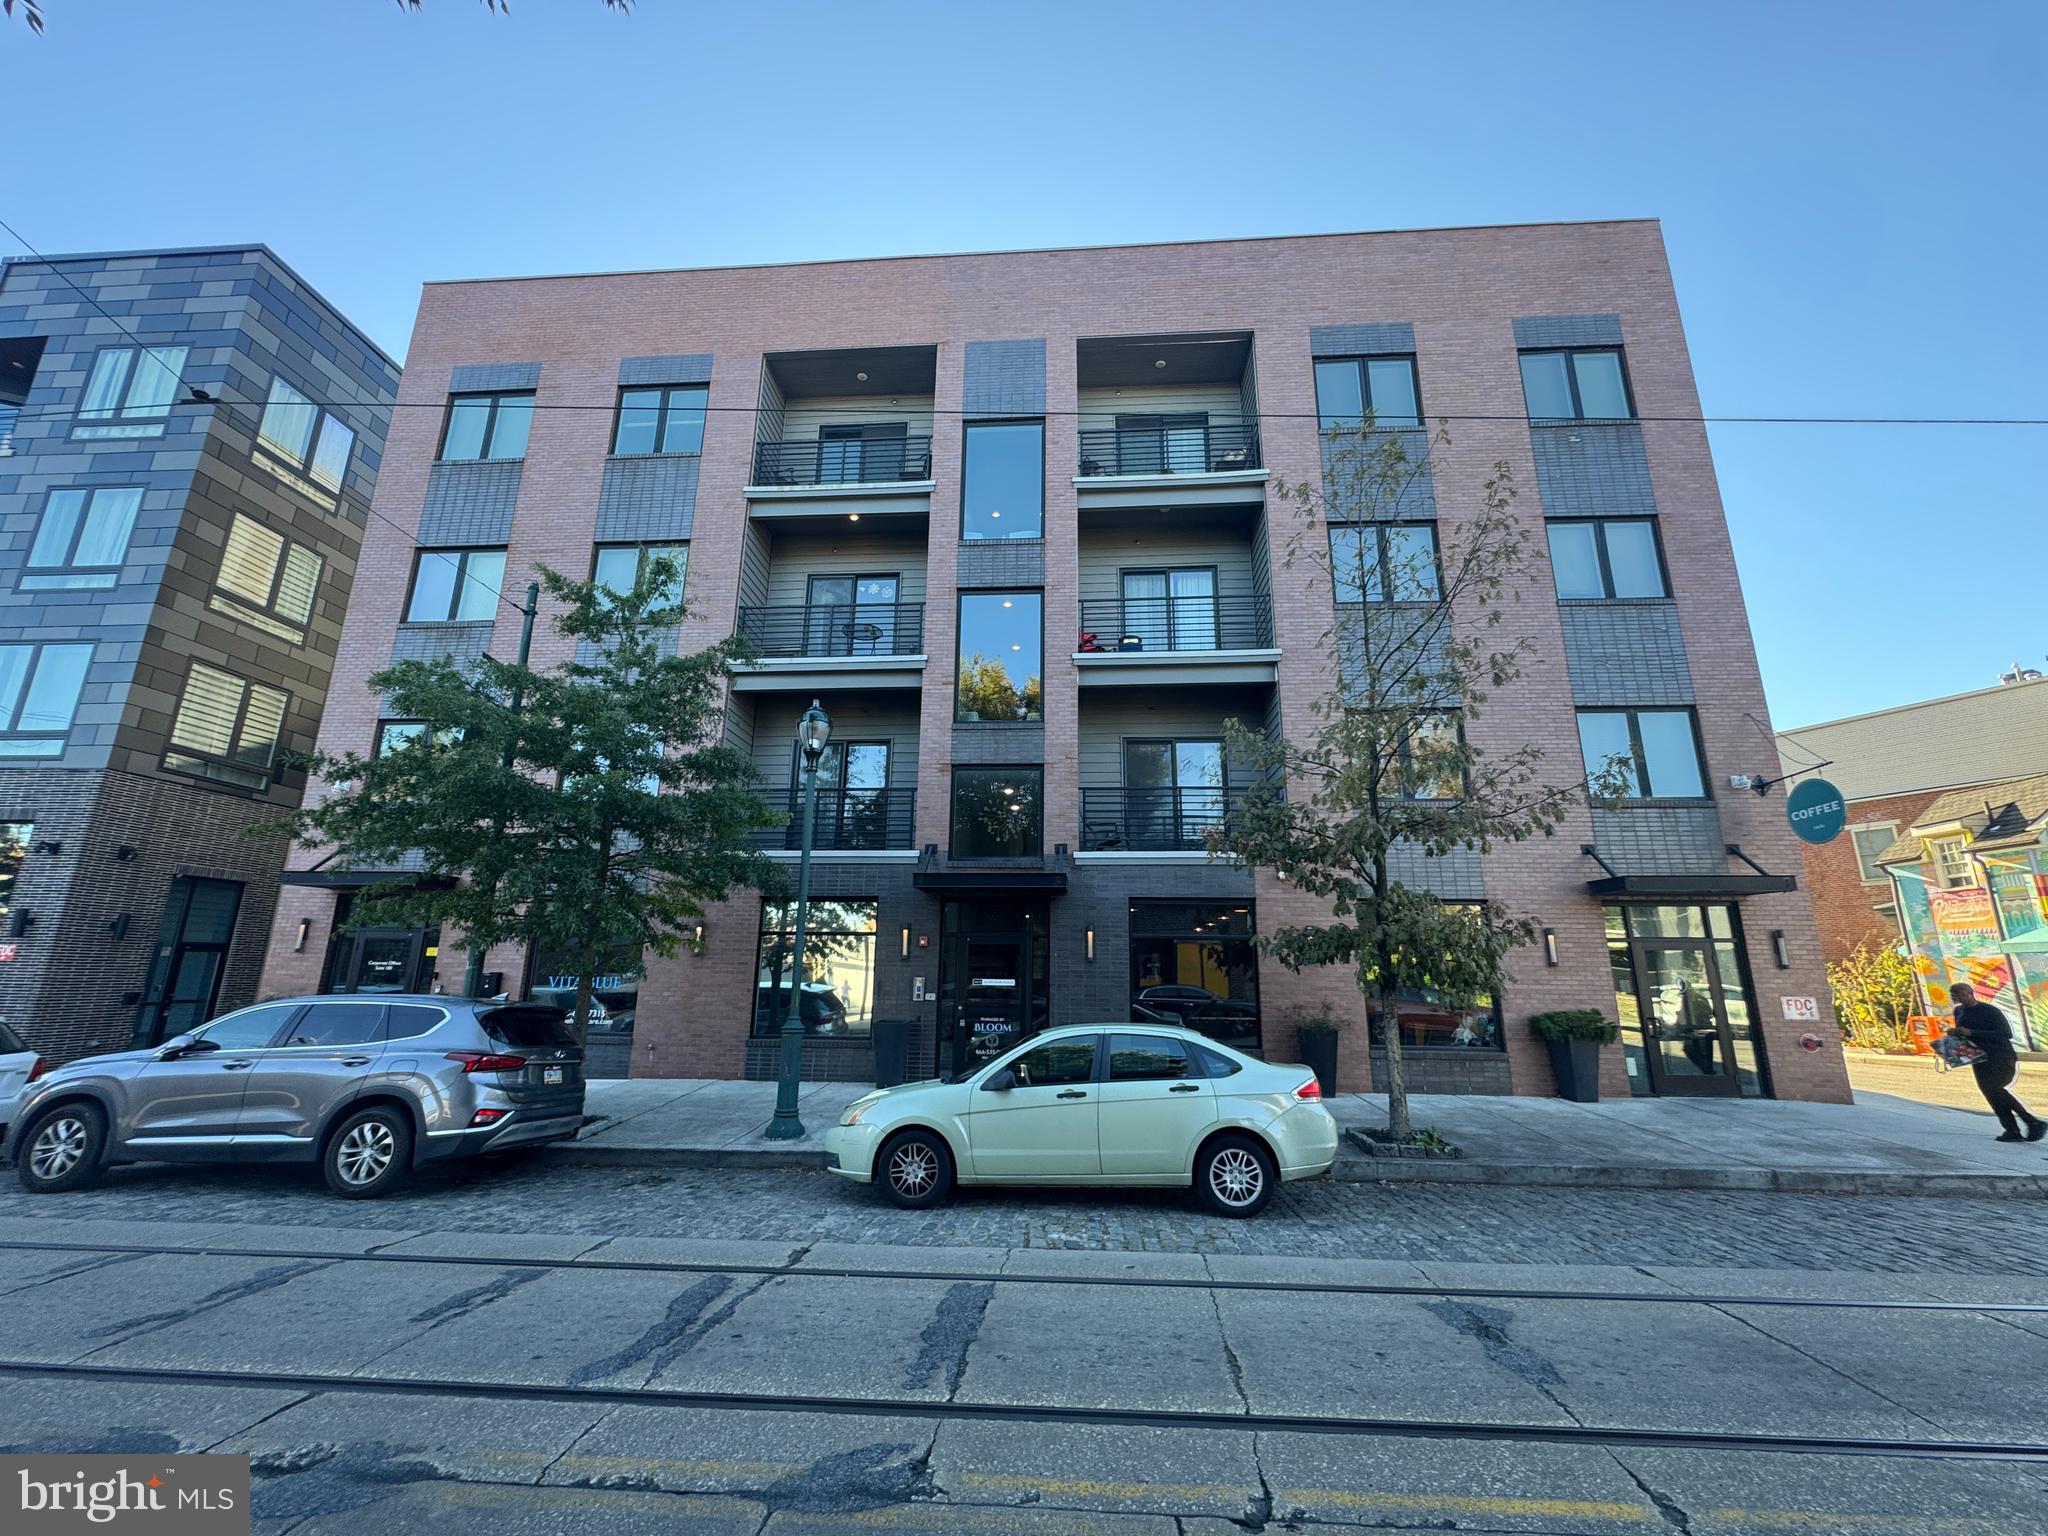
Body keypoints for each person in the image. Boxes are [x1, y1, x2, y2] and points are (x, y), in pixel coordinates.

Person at [1949, 983, 2045, 1142]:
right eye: (1952, 993)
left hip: (2000, 1056)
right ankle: (2012, 1130)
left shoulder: (1989, 1011)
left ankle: (2032, 1122)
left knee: (1995, 1088)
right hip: (1979, 1057)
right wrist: (1956, 1034)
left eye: (1958, 992)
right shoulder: (1959, 1011)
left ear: (1970, 993)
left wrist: (1971, 1032)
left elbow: (2006, 1033)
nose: (1955, 996)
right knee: (1990, 1092)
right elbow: (1966, 1034)